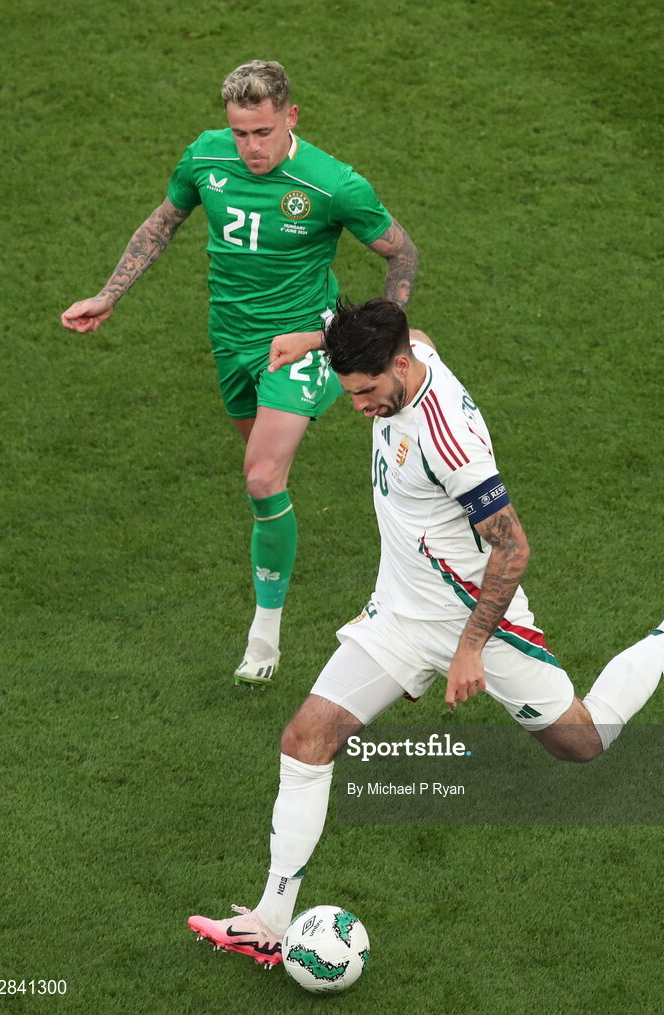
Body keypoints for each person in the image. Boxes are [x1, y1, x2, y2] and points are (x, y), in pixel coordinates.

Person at [187, 298, 664, 966]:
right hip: (400, 615)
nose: (358, 406)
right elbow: (410, 330)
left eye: (369, 392)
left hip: (478, 620)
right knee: (306, 737)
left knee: (581, 741)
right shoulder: (411, 354)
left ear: (399, 365)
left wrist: (470, 647)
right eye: (350, 392)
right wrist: (312, 339)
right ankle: (269, 920)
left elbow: (513, 548)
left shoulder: (447, 442)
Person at [61, 61, 418, 684]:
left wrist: (363, 341)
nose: (250, 148)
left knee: (260, 477)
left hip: (303, 342)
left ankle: (265, 639)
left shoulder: (333, 184)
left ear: (291, 118)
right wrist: (108, 294)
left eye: (263, 132)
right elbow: (163, 222)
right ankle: (282, 524)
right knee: (260, 470)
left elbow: (402, 252)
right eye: (240, 133)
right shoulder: (205, 158)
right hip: (230, 341)